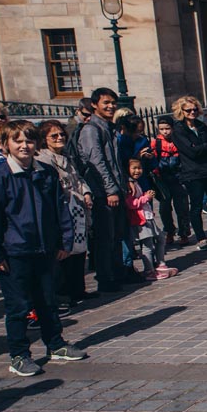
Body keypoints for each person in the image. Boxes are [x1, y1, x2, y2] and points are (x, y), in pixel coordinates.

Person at [0, 120, 88, 376]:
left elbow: (60, 208)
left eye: (29, 140)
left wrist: (64, 241)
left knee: (47, 301)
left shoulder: (45, 172)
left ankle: (56, 344)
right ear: (7, 144)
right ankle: (19, 354)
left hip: (45, 249)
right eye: (17, 141)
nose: (24, 146)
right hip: (15, 252)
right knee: (18, 306)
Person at [36, 120, 96, 310]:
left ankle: (78, 289)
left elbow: (77, 178)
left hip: (77, 208)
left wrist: (86, 192)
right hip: (62, 207)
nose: (60, 138)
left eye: (61, 134)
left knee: (79, 249)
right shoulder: (43, 159)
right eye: (54, 136)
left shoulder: (66, 157)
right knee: (64, 251)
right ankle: (62, 294)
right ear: (44, 139)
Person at [77, 87, 132, 290]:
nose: (110, 106)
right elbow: (97, 161)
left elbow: (116, 161)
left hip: (117, 188)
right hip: (103, 193)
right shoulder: (92, 129)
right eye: (106, 103)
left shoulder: (110, 127)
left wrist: (125, 181)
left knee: (118, 235)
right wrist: (109, 189)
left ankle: (118, 272)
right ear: (94, 105)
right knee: (105, 237)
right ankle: (106, 278)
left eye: (112, 103)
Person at [170, 96, 207, 250]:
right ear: (182, 111)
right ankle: (201, 238)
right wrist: (204, 147)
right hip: (193, 173)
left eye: (194, 109)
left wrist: (201, 147)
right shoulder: (179, 129)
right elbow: (190, 152)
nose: (192, 112)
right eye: (188, 110)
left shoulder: (201, 126)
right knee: (196, 206)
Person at [125, 158, 177, 280]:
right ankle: (149, 270)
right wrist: (145, 198)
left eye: (139, 168)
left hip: (147, 217)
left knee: (160, 238)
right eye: (134, 168)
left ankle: (160, 263)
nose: (137, 171)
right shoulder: (129, 186)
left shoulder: (136, 183)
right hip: (140, 220)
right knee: (147, 245)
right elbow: (131, 204)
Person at [149, 116, 191, 246]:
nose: (165, 131)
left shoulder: (178, 140)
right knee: (165, 208)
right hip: (163, 178)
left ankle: (184, 233)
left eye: (167, 128)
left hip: (178, 177)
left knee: (182, 207)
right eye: (162, 129)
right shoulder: (156, 143)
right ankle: (169, 231)